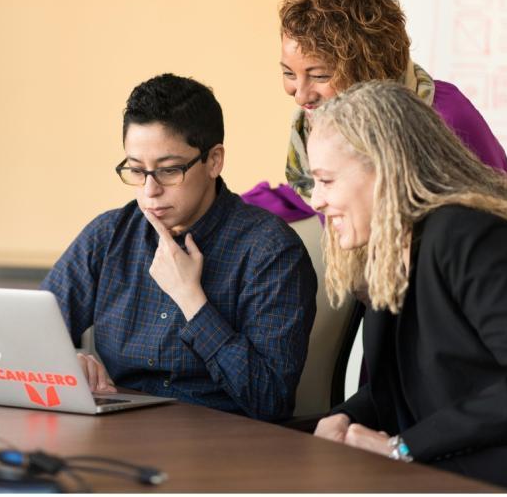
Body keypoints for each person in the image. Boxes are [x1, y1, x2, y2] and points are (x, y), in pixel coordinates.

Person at [306, 80, 507, 492]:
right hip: (468, 455)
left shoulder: (471, 235)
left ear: (384, 169)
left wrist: (403, 448)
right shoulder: (387, 248)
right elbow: (400, 386)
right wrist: (344, 419)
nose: (315, 200)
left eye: (326, 181)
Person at [269, 0, 507, 295]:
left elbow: (492, 231)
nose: (300, 94)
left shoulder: (443, 116)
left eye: (320, 76)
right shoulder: (322, 124)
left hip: (506, 295)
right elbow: (321, 189)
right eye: (289, 73)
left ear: (366, 67)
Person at [40, 73, 317, 421]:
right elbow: (31, 334)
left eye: (169, 171)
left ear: (214, 161)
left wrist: (192, 300)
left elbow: (270, 399)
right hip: (120, 434)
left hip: (224, 446)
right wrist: (65, 363)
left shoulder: (270, 252)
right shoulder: (109, 236)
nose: (150, 191)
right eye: (137, 171)